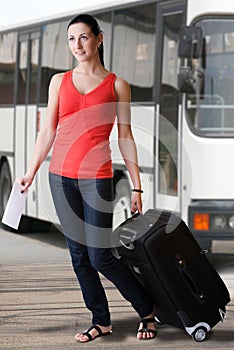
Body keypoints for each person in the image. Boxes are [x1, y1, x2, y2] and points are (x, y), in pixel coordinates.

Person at [19, 14, 157, 343]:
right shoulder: (58, 82)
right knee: (79, 256)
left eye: (83, 37)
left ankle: (147, 310)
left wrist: (136, 185)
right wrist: (30, 170)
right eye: (71, 39)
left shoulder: (117, 85)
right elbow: (48, 131)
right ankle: (101, 320)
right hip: (60, 179)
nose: (77, 45)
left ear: (99, 39)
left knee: (100, 255)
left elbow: (125, 137)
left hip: (96, 179)